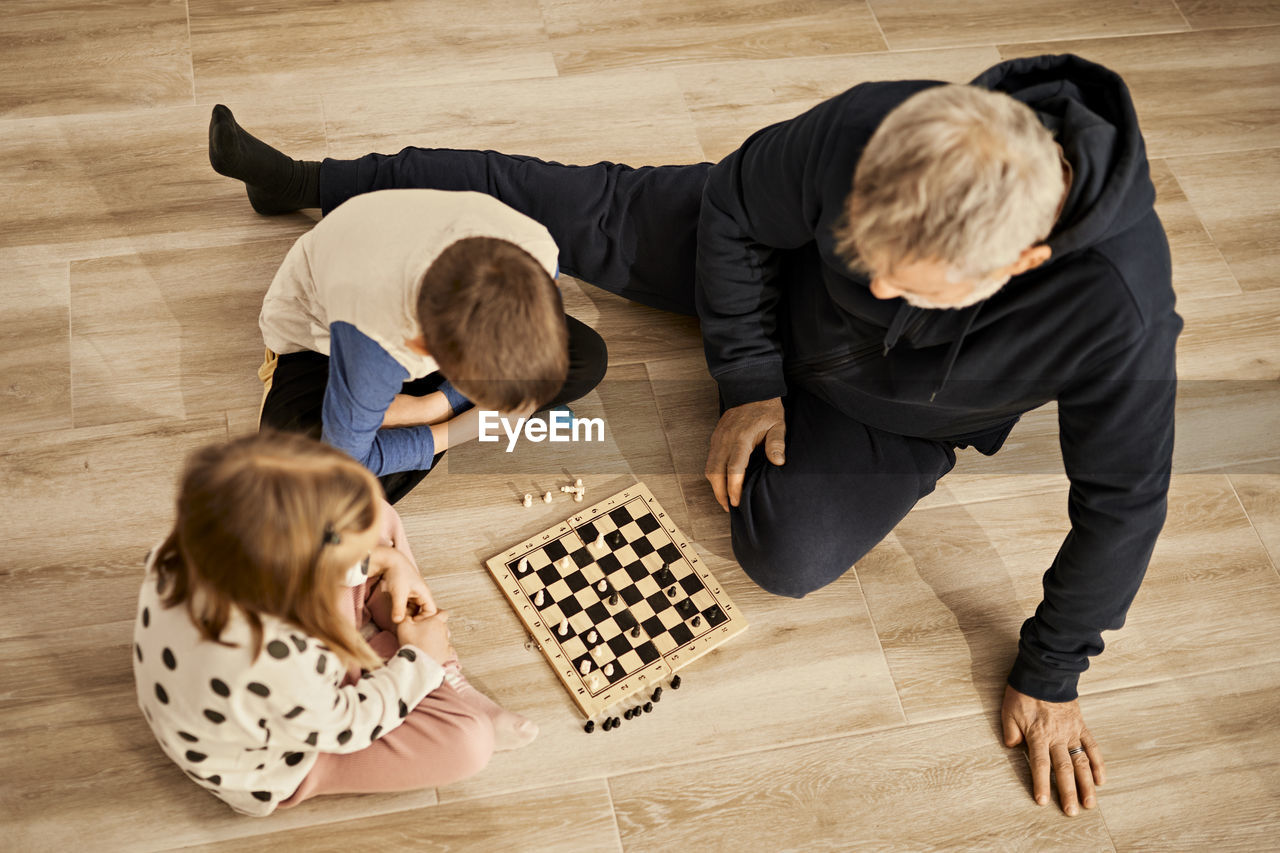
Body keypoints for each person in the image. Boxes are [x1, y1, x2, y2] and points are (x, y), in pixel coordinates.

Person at [206, 54, 1181, 817]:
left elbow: (1122, 505)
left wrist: (1051, 669)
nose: (874, 289)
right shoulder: (880, 129)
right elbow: (735, 210)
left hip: (888, 414)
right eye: (864, 255)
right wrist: (748, 380)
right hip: (756, 276)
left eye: (904, 281)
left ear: (1019, 261)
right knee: (536, 205)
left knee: (786, 555)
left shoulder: (1119, 311)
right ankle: (311, 178)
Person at [210, 104, 609, 503]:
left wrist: (432, 404)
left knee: (586, 357)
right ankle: (394, 413)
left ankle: (414, 410)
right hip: (320, 350)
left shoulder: (536, 250)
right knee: (314, 492)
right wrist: (444, 429)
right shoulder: (374, 344)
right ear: (430, 354)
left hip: (423, 320)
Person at [132, 431, 538, 816]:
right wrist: (422, 659)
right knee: (469, 744)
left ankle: (413, 660)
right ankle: (427, 667)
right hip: (289, 757)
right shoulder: (271, 654)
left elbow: (303, 548)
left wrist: (388, 560)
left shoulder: (197, 542)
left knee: (376, 513)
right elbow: (348, 724)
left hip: (291, 675)